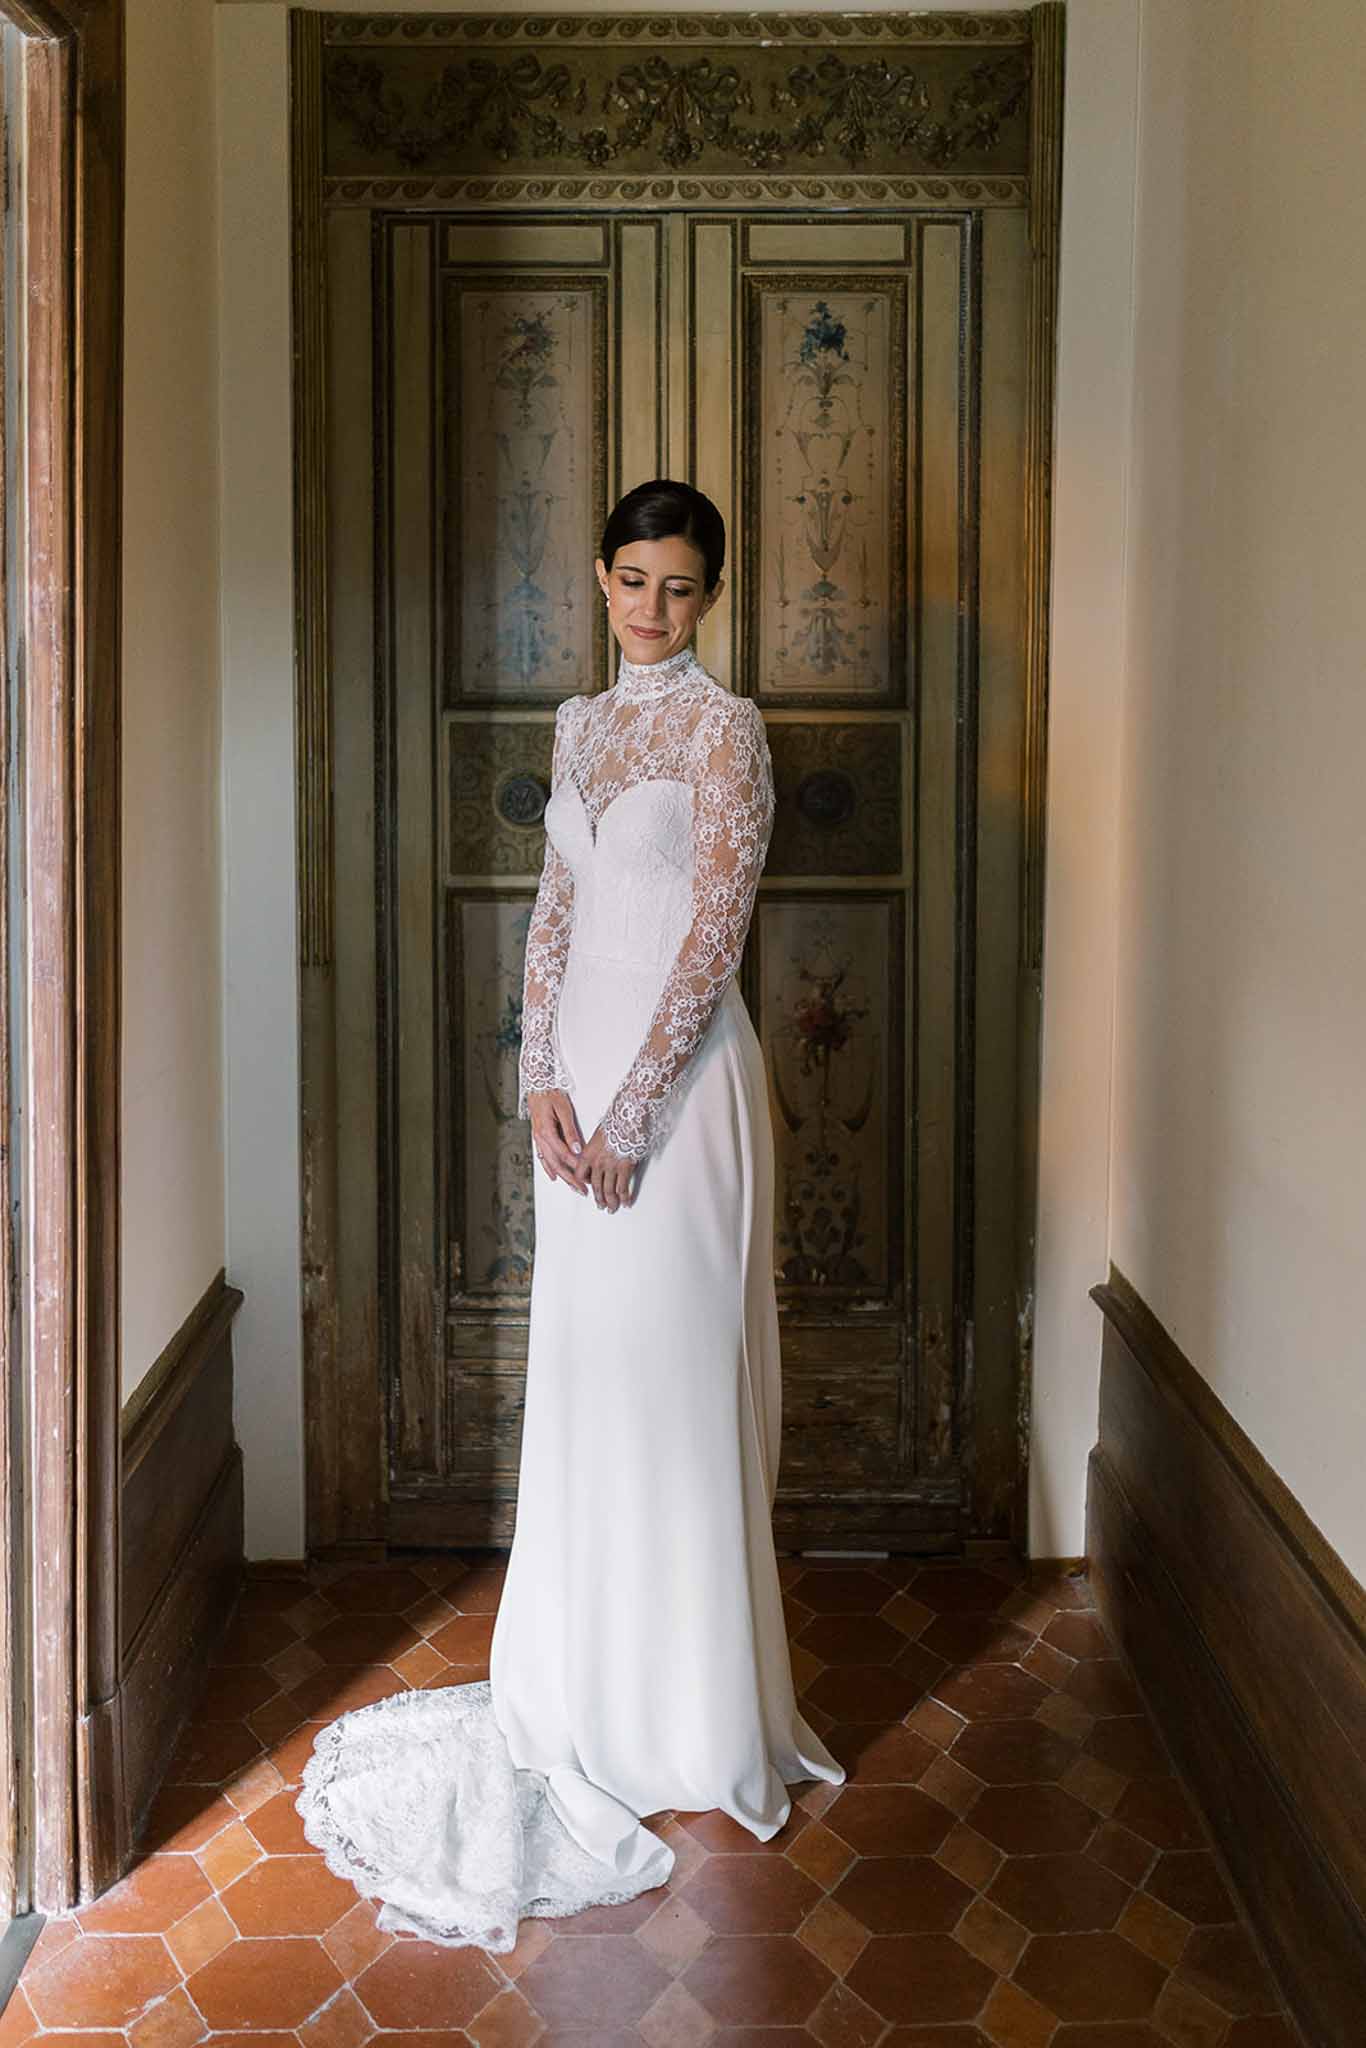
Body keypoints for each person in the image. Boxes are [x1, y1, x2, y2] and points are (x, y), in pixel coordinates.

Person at [295, 479, 844, 1951]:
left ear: (709, 598)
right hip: (574, 1096)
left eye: (676, 586)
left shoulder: (725, 731)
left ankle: (693, 1714)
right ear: (599, 581)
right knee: (591, 1392)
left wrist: (636, 1112)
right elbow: (553, 910)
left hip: (681, 1100)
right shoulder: (579, 728)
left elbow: (715, 928)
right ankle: (587, 1688)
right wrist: (539, 1080)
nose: (649, 608)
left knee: (674, 1392)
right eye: (629, 580)